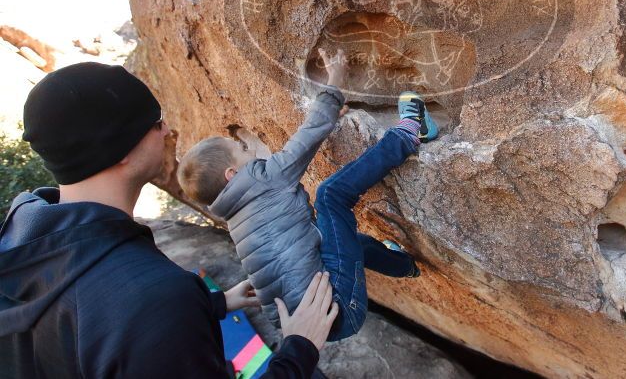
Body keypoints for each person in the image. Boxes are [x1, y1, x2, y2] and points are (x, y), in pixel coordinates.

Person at [0, 61, 336, 379]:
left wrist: (213, 302)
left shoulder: (21, 237)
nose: (167, 131)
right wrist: (300, 348)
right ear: (120, 151)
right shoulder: (155, 298)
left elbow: (81, 324)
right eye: (156, 121)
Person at [177, 48, 438, 341]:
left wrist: (331, 118)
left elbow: (299, 162)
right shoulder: (260, 180)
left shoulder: (236, 218)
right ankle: (409, 133)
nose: (250, 150)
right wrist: (334, 84)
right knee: (330, 196)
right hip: (337, 307)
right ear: (231, 175)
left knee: (342, 240)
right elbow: (306, 137)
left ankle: (405, 266)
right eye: (242, 151)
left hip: (316, 326)